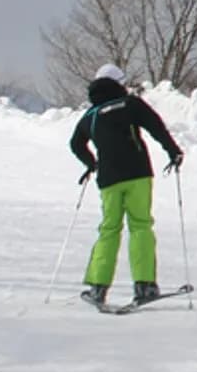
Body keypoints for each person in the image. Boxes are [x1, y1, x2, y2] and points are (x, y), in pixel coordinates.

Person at [68, 66, 184, 307]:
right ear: (118, 83)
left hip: (109, 180)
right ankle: (145, 286)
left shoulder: (90, 115)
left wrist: (92, 164)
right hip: (138, 173)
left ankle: (98, 288)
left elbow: (76, 144)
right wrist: (173, 151)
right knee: (140, 225)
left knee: (109, 229)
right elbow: (156, 126)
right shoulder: (129, 104)